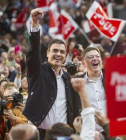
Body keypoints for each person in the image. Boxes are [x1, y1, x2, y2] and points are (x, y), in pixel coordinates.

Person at [23, 8, 80, 140]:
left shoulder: (67, 78)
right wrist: (35, 24)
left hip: (64, 135)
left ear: (65, 56)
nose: (58, 54)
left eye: (61, 52)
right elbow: (33, 52)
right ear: (47, 53)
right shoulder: (37, 70)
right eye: (55, 50)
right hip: (40, 134)